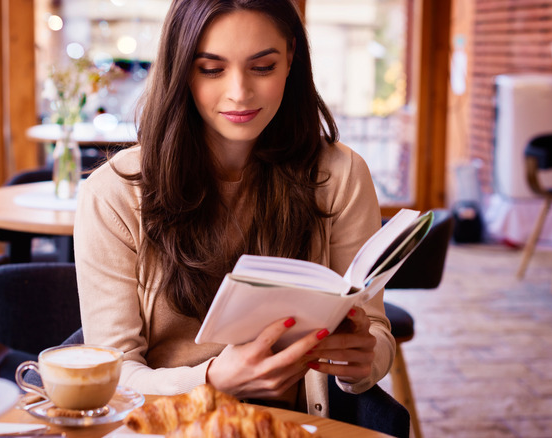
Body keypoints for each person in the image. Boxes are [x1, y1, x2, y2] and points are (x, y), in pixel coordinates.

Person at [74, 0, 395, 419]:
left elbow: (376, 332)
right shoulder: (114, 194)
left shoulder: (339, 175)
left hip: (293, 424)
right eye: (211, 69)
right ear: (180, 69)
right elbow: (112, 377)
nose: (240, 92)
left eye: (263, 67)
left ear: (291, 58)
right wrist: (211, 380)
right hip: (169, 425)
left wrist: (363, 361)